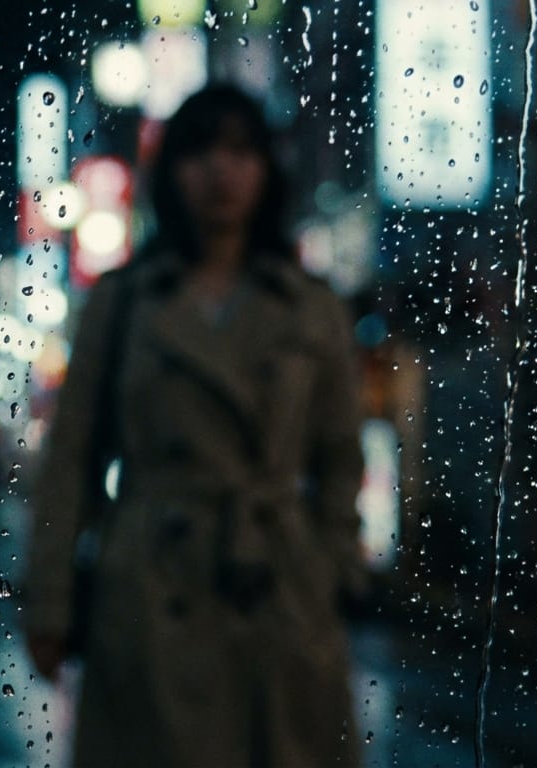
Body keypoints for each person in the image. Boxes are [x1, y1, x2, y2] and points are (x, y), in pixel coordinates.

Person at [22, 83, 369, 767]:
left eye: (241, 151)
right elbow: (71, 464)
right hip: (151, 591)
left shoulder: (309, 307)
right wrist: (51, 604)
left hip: (279, 588)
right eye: (199, 151)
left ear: (268, 170)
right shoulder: (123, 304)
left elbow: (339, 456)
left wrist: (328, 569)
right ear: (169, 172)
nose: (220, 170)